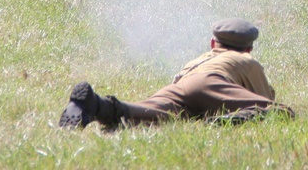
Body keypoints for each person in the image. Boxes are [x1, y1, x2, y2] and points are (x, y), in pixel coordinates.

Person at [59, 18, 294, 129]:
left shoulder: (199, 59)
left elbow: (182, 84)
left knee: (143, 114)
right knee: (282, 112)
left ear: (213, 43)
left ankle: (98, 106)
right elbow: (267, 100)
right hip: (212, 84)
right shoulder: (245, 59)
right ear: (249, 47)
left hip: (180, 86)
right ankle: (229, 120)